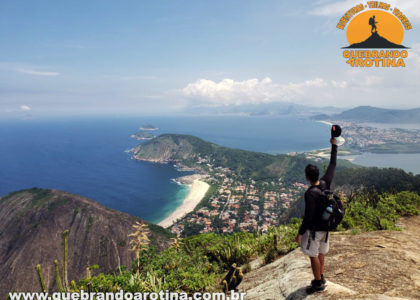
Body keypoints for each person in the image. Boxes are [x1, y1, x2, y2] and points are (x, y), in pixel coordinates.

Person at [295, 137, 338, 294]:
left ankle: (318, 283)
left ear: (307, 177)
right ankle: (321, 277)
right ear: (318, 174)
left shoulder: (310, 194)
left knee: (313, 255)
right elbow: (333, 165)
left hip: (314, 231)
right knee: (321, 252)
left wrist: (300, 234)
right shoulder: (325, 183)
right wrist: (334, 146)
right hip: (326, 229)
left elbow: (308, 217)